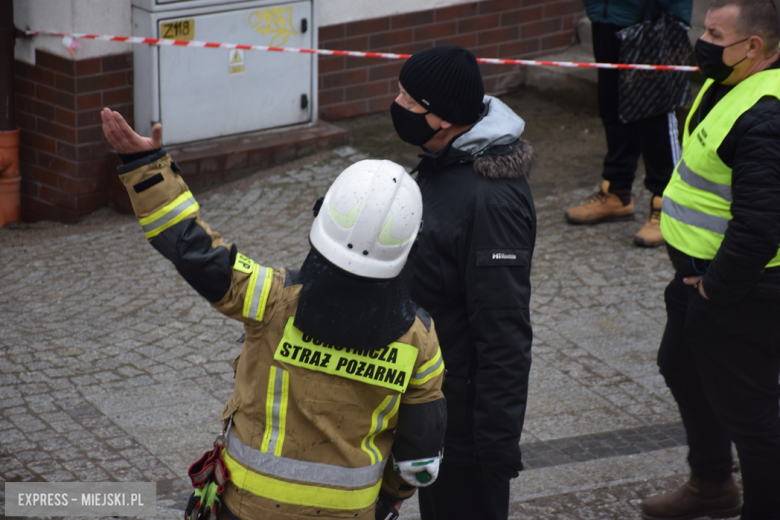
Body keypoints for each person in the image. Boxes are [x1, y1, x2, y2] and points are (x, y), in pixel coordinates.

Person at [100, 108, 447, 520]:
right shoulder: (419, 339)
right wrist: (389, 498)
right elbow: (421, 454)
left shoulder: (273, 298)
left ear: (324, 217)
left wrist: (145, 168)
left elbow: (197, 255)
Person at [640, 0, 780, 518]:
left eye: (715, 34)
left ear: (753, 47)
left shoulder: (767, 115)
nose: (703, 41)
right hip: (699, 278)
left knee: (753, 415)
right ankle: (712, 484)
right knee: (681, 365)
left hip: (741, 290)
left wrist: (716, 290)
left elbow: (761, 226)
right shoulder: (729, 83)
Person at [391, 45, 536, 520]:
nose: (397, 105)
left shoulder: (491, 202)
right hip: (428, 391)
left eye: (410, 101)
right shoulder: (445, 162)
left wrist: (493, 444)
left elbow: (504, 330)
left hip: (463, 418)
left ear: (445, 118)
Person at [566, 0, 693, 247]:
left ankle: (667, 207)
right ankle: (617, 192)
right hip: (606, 15)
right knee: (612, 107)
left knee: (656, 113)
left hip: (653, 18)